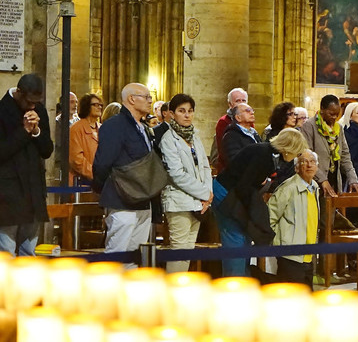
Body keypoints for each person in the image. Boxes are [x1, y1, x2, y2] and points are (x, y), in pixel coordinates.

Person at [214, 128, 308, 276]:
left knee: (245, 237)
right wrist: (250, 212)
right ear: (289, 148)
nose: (297, 156)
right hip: (226, 193)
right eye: (297, 151)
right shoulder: (263, 155)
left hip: (235, 192)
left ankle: (243, 280)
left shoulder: (268, 153)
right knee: (235, 238)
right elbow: (244, 185)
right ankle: (234, 285)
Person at [92, 83, 156, 262]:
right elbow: (103, 163)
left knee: (136, 258)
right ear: (131, 99)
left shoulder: (143, 127)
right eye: (146, 97)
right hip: (122, 200)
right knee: (116, 256)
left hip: (143, 199)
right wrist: (105, 187)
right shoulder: (115, 125)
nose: (150, 100)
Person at [159, 93, 213, 273]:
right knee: (179, 250)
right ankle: (172, 292)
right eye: (182, 111)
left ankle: (181, 290)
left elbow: (205, 166)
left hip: (197, 201)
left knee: (188, 250)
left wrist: (208, 195)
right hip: (178, 201)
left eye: (190, 111)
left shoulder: (194, 136)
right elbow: (176, 173)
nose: (187, 115)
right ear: (172, 114)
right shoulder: (168, 139)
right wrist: (204, 193)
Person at [0, 74, 53, 256]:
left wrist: (37, 131)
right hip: (8, 194)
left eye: (36, 102)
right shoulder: (2, 110)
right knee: (6, 251)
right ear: (19, 93)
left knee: (28, 251)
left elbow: (47, 150)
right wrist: (24, 132)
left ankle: (26, 285)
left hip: (33, 191)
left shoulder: (40, 110)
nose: (33, 106)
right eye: (29, 101)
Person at [267, 149, 320, 288]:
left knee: (307, 298)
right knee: (291, 298)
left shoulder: (315, 187)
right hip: (290, 254)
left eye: (312, 162)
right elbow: (270, 217)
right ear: (296, 168)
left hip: (308, 253)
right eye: (304, 162)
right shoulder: (288, 188)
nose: (309, 165)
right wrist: (279, 241)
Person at [299, 95, 358, 196]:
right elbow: (306, 155)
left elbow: (345, 156)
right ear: (322, 109)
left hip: (334, 180)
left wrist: (353, 179)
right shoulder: (309, 126)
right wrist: (322, 179)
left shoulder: (338, 128)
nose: (334, 117)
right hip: (315, 181)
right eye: (331, 114)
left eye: (337, 114)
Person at [68, 93, 103, 184]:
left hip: (101, 182)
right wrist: (95, 174)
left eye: (100, 105)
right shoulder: (76, 129)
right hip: (81, 182)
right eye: (95, 105)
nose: (99, 107)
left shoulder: (102, 128)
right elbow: (76, 160)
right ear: (87, 107)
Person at [213, 88, 248, 172]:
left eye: (244, 100)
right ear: (230, 104)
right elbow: (224, 151)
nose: (241, 103)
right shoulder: (224, 122)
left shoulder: (249, 121)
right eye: (238, 101)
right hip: (229, 169)